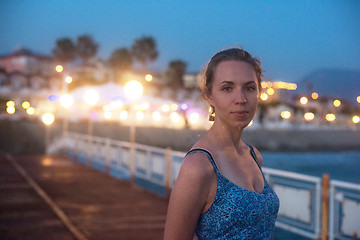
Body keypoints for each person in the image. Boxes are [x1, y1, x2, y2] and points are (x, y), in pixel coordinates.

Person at [164, 47, 280, 239]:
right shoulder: (199, 166)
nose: (241, 99)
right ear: (209, 95)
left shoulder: (253, 155)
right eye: (227, 88)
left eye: (249, 88)